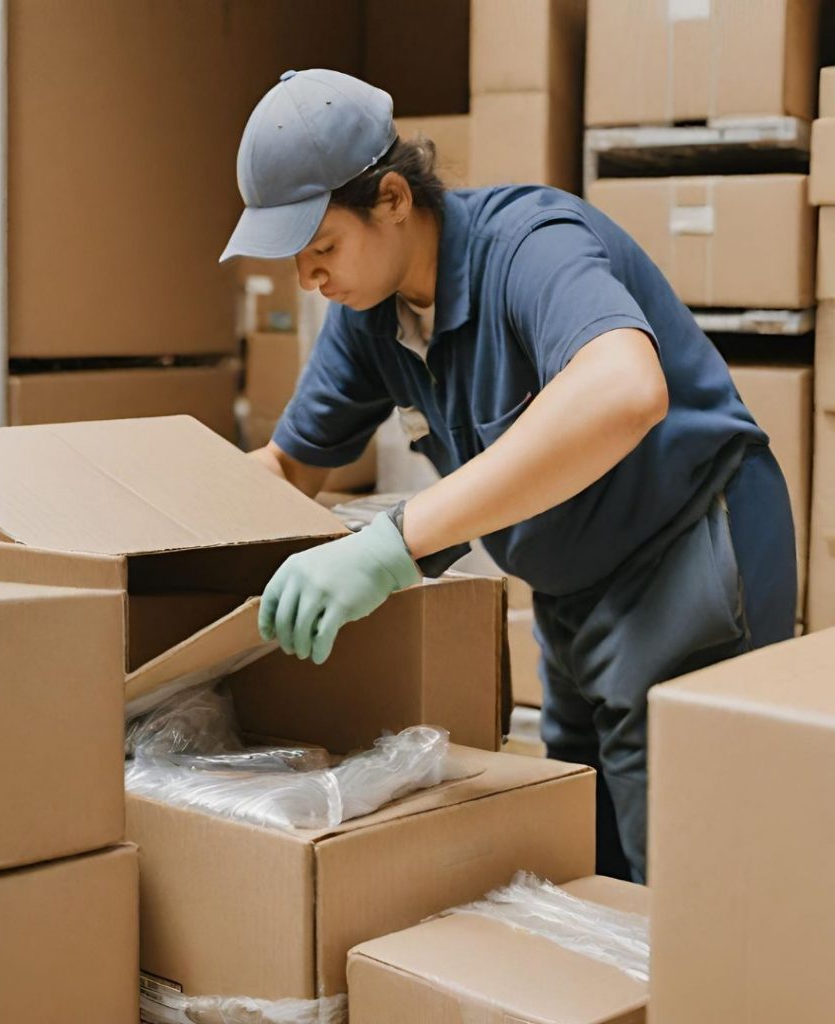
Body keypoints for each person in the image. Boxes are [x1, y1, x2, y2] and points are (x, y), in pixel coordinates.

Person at [219, 69, 796, 883]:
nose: (309, 280)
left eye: (322, 248)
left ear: (391, 200)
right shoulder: (369, 317)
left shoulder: (530, 245)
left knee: (684, 876)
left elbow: (626, 389)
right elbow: (287, 465)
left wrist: (392, 545)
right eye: (295, 262)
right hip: (572, 585)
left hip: (685, 552)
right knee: (581, 845)